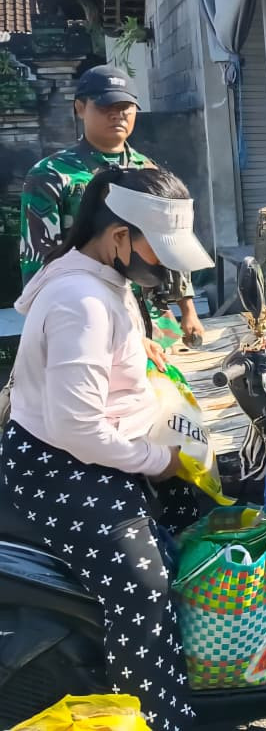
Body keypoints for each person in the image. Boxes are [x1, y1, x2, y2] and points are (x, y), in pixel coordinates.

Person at [2, 166, 215, 730]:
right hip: (60, 465)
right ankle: (155, 719)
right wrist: (159, 461)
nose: (166, 267)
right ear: (119, 236)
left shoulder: (97, 280)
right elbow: (79, 429)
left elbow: (93, 340)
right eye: (160, 251)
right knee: (144, 586)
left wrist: (140, 346)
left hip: (91, 449)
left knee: (200, 521)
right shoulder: (82, 301)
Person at [19, 64, 205, 366]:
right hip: (91, 315)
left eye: (126, 107)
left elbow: (173, 245)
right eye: (106, 106)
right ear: (80, 108)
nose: (117, 115)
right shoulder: (51, 176)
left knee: (170, 401)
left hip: (155, 318)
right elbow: (39, 263)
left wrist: (188, 309)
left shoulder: (149, 171)